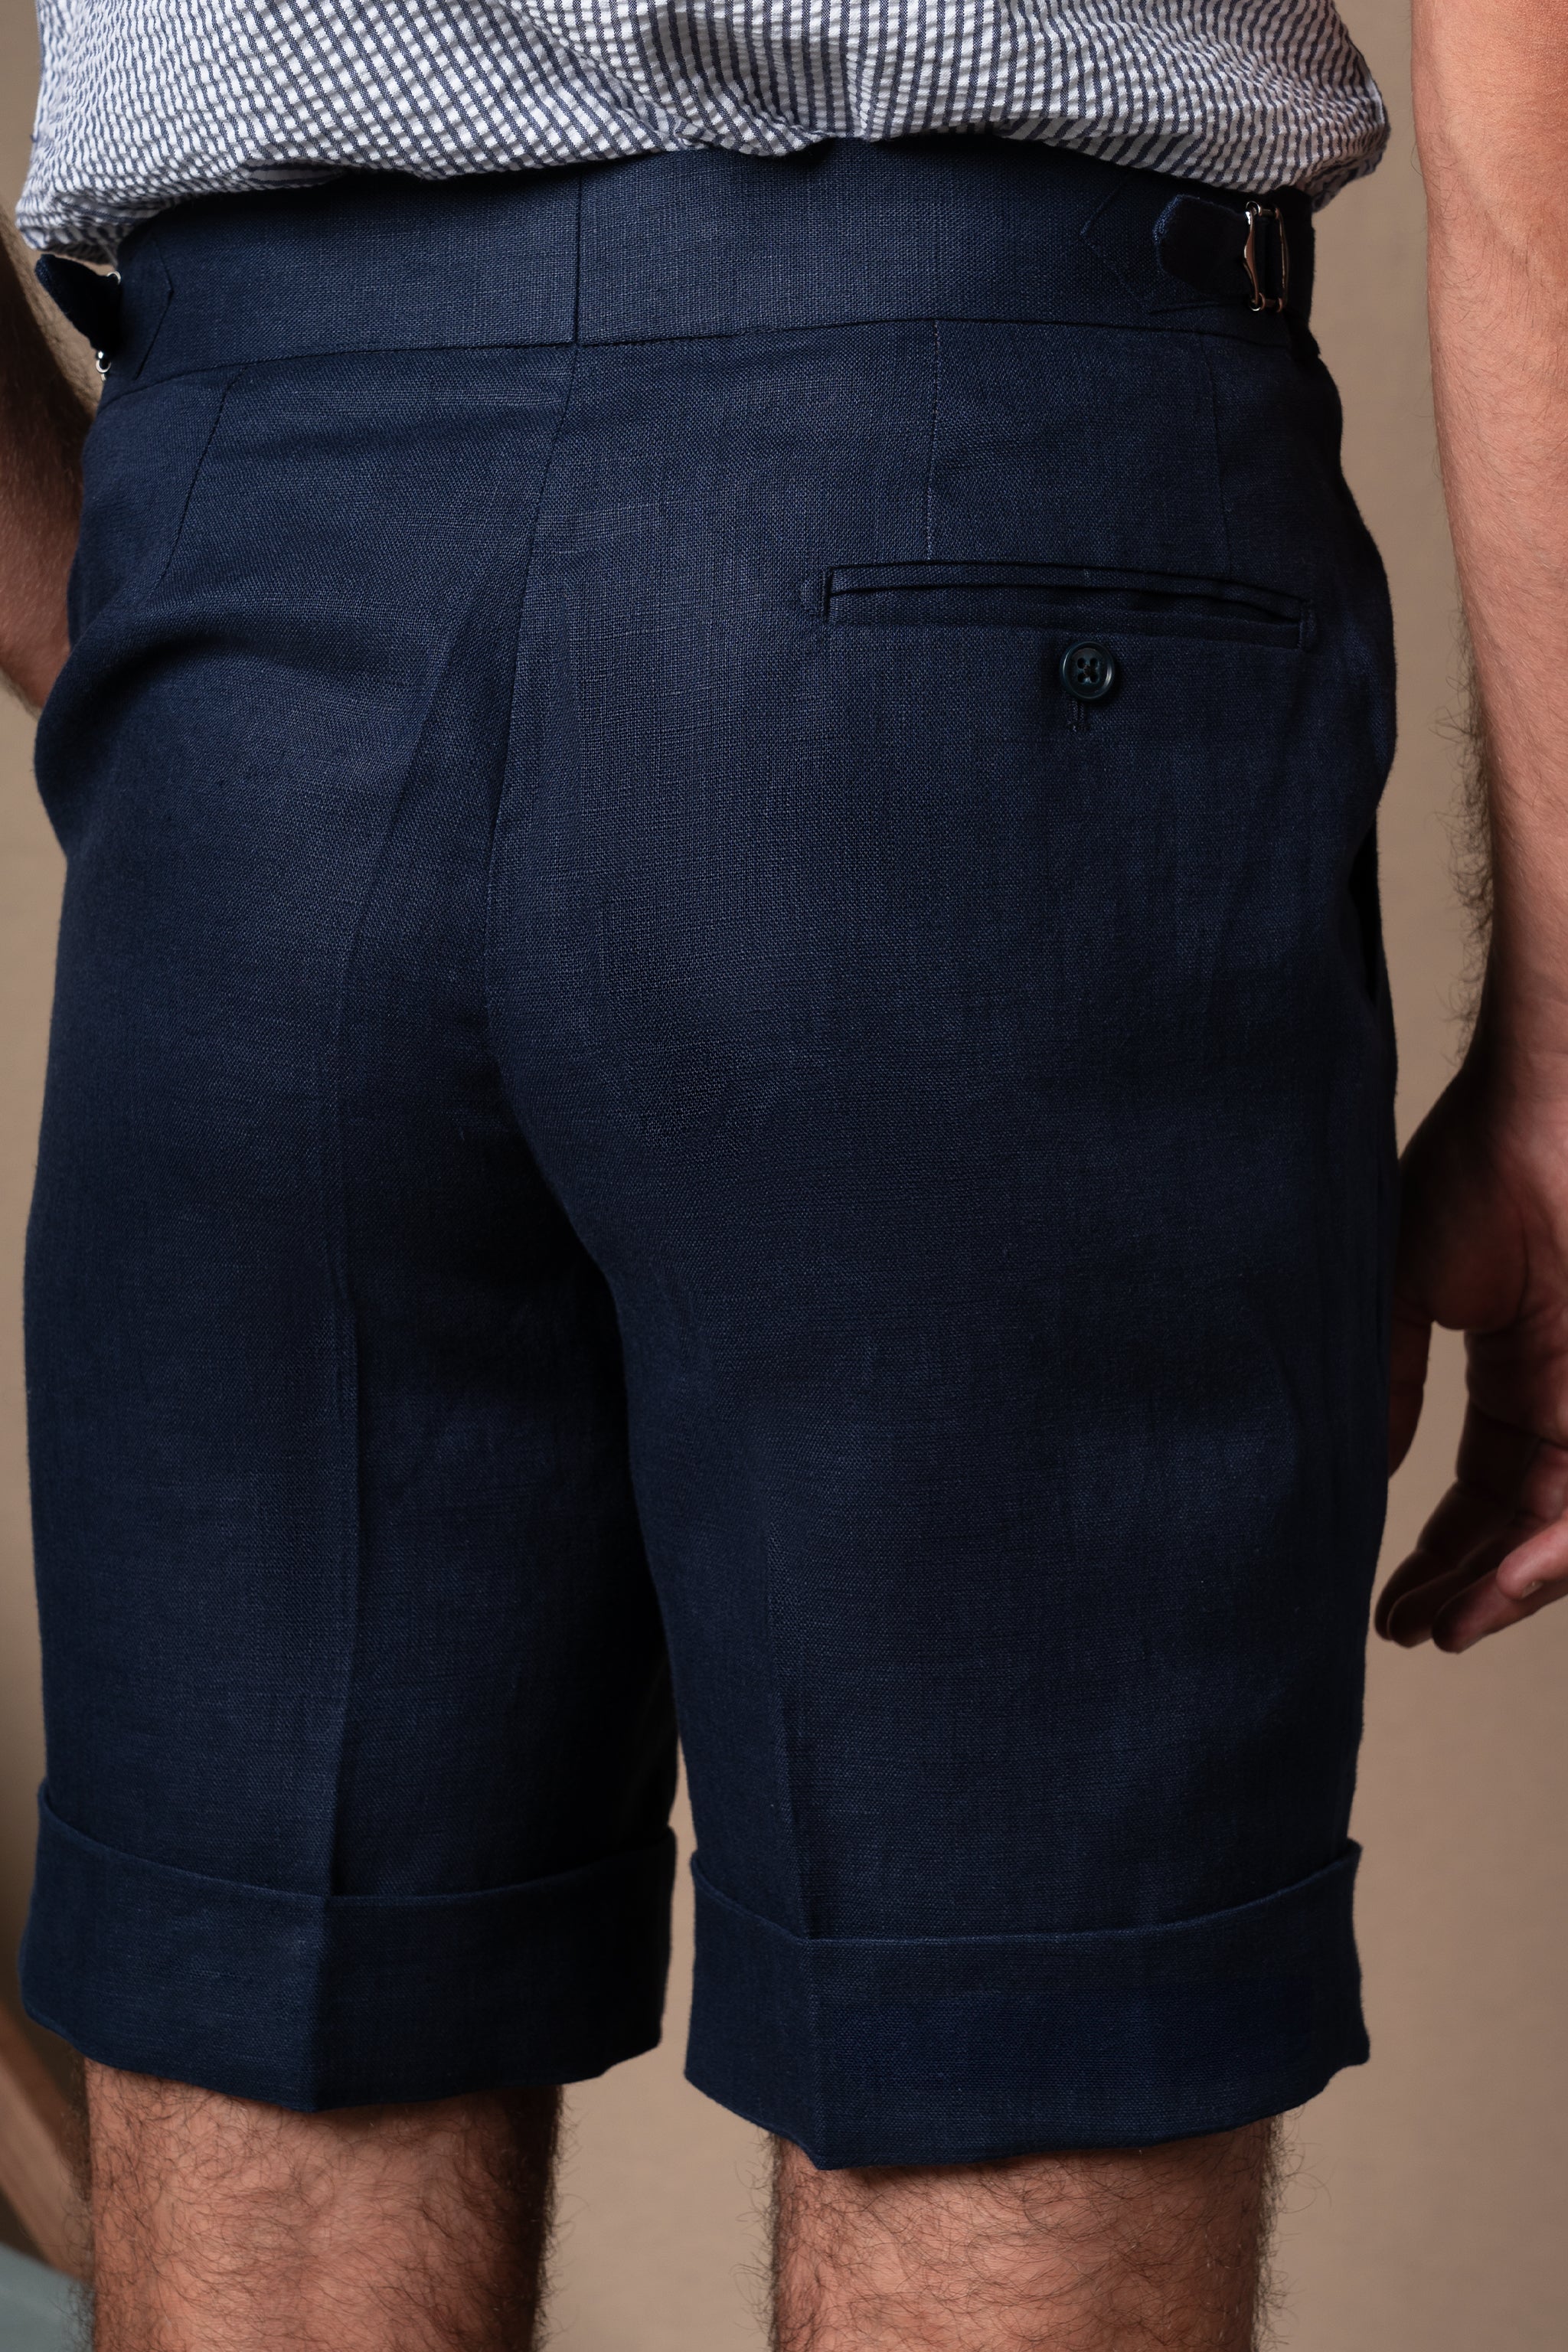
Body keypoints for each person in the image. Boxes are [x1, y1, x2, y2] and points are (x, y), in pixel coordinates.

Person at [0, 0, 1561, 2341]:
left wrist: (158, 642)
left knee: (274, 2085)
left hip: (262, 549)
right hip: (983, 506)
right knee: (1008, 2054)